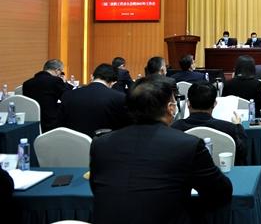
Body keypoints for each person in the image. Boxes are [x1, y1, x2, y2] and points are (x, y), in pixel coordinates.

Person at [90, 77, 232, 224]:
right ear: (171, 108)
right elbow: (220, 193)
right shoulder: (187, 144)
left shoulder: (101, 144)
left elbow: (97, 189)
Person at [172, 82, 248, 165]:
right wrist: (238, 126)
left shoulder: (175, 128)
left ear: (188, 103)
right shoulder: (229, 128)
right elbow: (242, 152)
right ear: (215, 104)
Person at [58, 63, 130, 138]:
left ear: (92, 76)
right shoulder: (119, 97)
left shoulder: (69, 95)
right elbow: (126, 127)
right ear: (113, 82)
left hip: (74, 142)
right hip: (105, 143)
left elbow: (60, 124)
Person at [22, 59, 72, 132]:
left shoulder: (27, 83)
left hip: (32, 122)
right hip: (51, 123)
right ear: (57, 70)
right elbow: (68, 97)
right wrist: (64, 82)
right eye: (61, 72)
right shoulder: (55, 81)